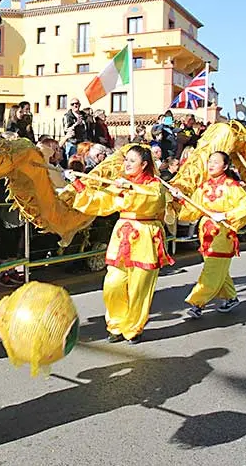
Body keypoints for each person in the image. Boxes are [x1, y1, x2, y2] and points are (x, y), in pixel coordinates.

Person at [65, 145, 173, 343]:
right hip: (122, 234)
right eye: (126, 160)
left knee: (139, 287)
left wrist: (131, 187)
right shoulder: (120, 183)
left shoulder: (154, 185)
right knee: (113, 283)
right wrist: (78, 185)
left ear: (144, 164)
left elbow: (154, 200)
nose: (127, 164)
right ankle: (115, 324)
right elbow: (101, 200)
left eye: (132, 161)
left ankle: (133, 328)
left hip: (145, 235)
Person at [170, 152, 246, 318]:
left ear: (225, 166)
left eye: (216, 162)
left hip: (223, 233)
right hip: (206, 232)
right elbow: (193, 208)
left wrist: (227, 215)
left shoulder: (233, 186)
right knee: (217, 268)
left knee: (212, 269)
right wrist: (180, 198)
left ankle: (197, 302)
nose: (211, 165)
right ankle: (231, 297)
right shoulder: (204, 186)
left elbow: (245, 209)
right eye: (210, 162)